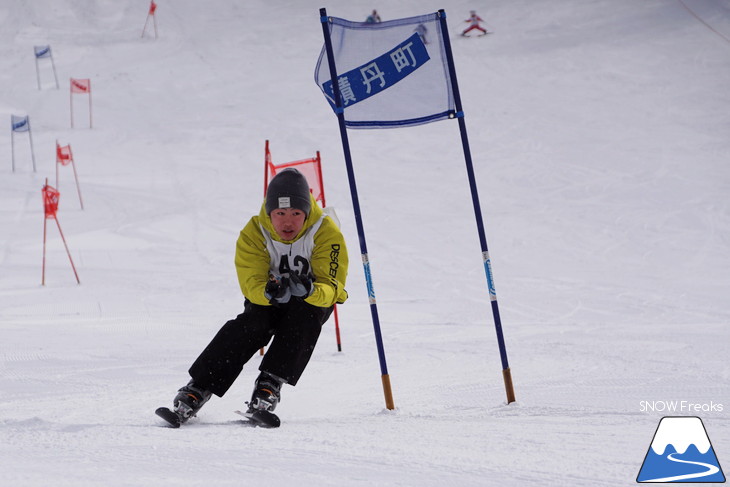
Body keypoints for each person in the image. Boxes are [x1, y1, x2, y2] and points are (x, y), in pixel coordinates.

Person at [166, 168, 349, 424]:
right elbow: (250, 279)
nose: (288, 222)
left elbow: (333, 284)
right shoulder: (255, 231)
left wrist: (311, 291)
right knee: (251, 325)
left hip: (312, 300)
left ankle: (269, 385)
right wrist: (267, 292)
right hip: (269, 298)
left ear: (307, 213)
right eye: (280, 213)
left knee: (303, 318)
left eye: (296, 214)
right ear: (269, 212)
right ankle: (197, 388)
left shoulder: (325, 231)